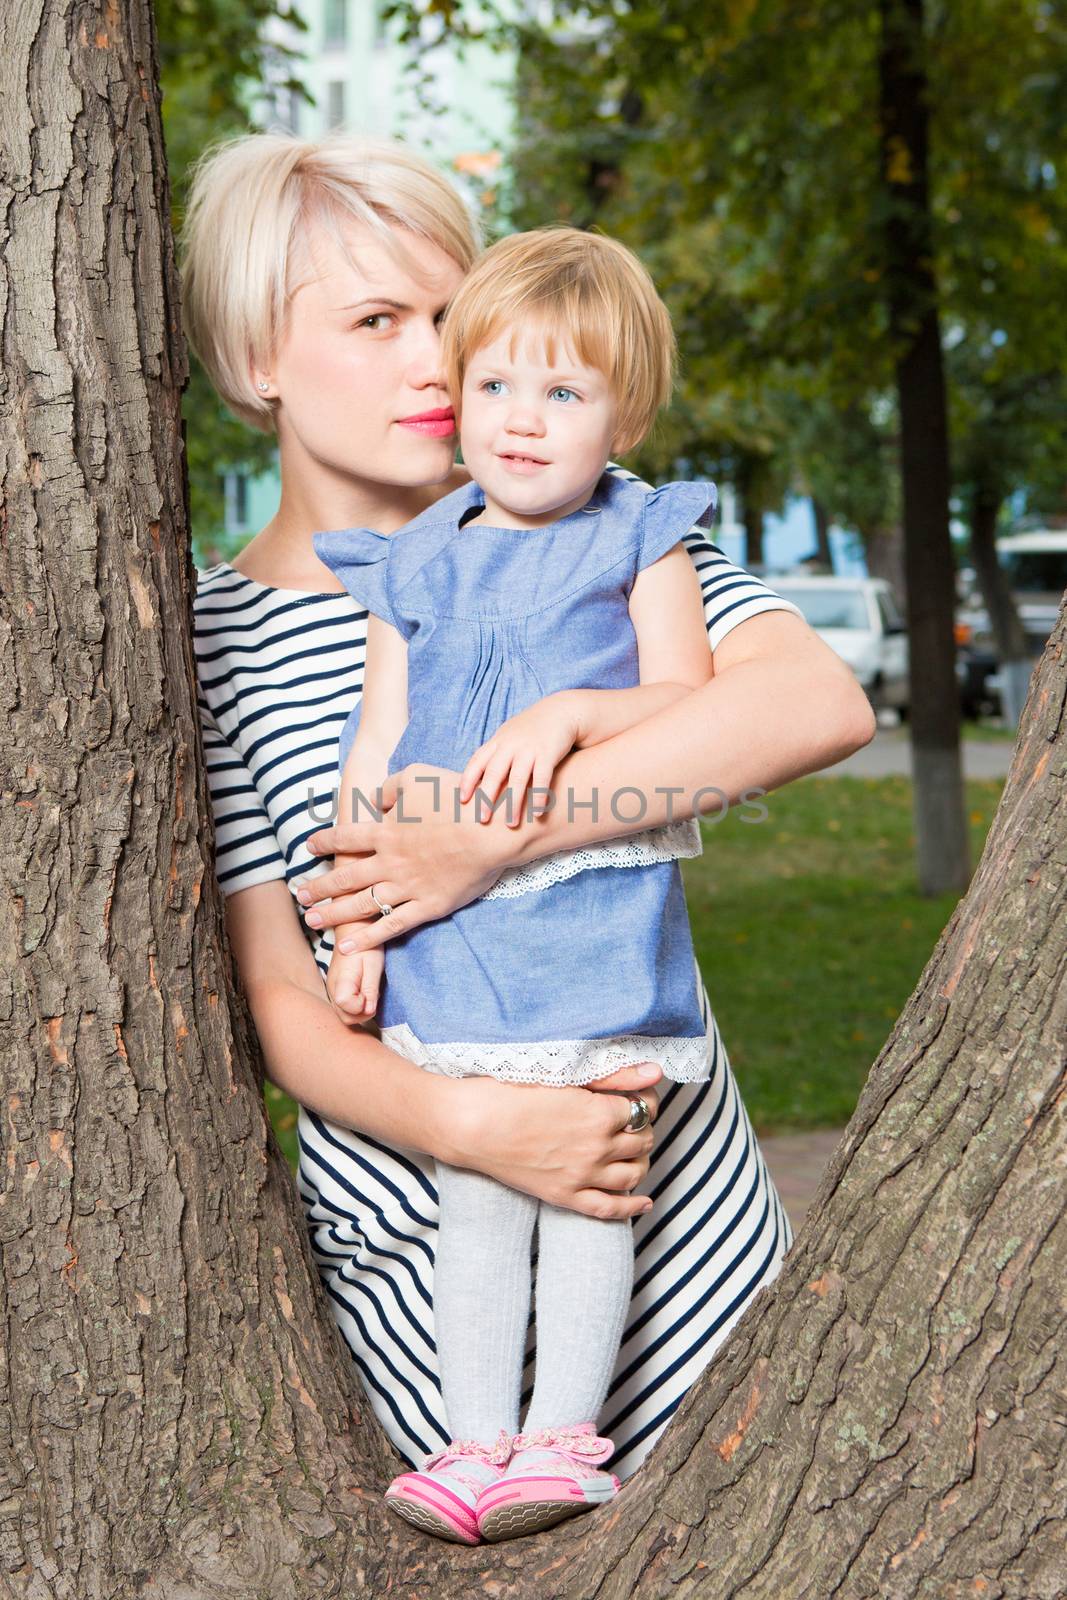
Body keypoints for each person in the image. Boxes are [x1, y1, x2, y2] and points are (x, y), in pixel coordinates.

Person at [181, 132, 875, 1526]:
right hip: (425, 1234)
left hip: (667, 1213)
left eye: (451, 311)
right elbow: (280, 995)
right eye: (376, 321)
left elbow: (809, 704)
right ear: (259, 354)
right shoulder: (210, 639)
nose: (435, 360)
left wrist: (501, 835)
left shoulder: (593, 519)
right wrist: (478, 1124)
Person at [312, 226, 729, 1543]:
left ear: (627, 410)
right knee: (482, 1180)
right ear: (459, 392)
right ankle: (469, 1437)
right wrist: (358, 916)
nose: (523, 420)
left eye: (564, 392)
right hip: (448, 924)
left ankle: (563, 1437)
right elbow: (374, 748)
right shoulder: (416, 557)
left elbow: (689, 699)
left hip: (588, 914)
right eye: (496, 385)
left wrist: (571, 713)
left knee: (592, 1166)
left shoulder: (639, 534)